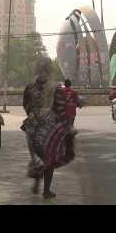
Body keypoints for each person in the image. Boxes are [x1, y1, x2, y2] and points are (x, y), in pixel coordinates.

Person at [21, 57, 76, 199]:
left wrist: (32, 113)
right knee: (49, 159)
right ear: (49, 70)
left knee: (38, 158)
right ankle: (46, 190)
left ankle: (37, 182)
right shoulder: (56, 87)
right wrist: (65, 125)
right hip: (49, 126)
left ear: (37, 70)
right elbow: (60, 107)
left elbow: (26, 105)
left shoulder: (29, 87)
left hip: (32, 126)